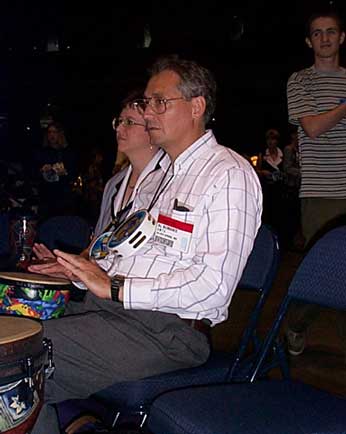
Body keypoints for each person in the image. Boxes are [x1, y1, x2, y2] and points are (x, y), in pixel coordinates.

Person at [30, 56, 262, 434]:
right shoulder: (161, 179)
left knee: (14, 359)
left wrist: (115, 287)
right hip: (116, 317)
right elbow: (123, 257)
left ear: (197, 106)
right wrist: (81, 272)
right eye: (147, 103)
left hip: (167, 333)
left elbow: (214, 288)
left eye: (159, 102)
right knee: (14, 337)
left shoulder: (228, 174)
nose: (148, 111)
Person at [286, 8, 346, 356]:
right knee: (322, 268)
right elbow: (313, 127)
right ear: (310, 41)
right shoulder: (300, 81)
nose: (325, 37)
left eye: (331, 31)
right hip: (321, 192)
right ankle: (295, 323)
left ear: (342, 37)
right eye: (318, 32)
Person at [33, 121, 78, 219]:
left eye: (54, 132)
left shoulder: (68, 152)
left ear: (60, 134)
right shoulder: (42, 152)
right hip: (46, 195)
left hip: (63, 196)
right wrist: (42, 170)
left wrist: (64, 172)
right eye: (49, 132)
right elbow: (33, 172)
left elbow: (74, 173)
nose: (51, 135)